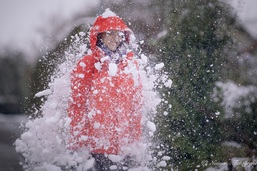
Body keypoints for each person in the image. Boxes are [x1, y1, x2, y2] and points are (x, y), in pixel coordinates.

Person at [68, 9, 143, 171]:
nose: (115, 39)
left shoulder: (131, 64)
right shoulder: (87, 64)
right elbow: (77, 105)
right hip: (97, 147)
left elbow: (136, 106)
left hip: (124, 147)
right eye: (109, 33)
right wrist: (79, 143)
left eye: (118, 34)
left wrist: (135, 141)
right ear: (99, 36)